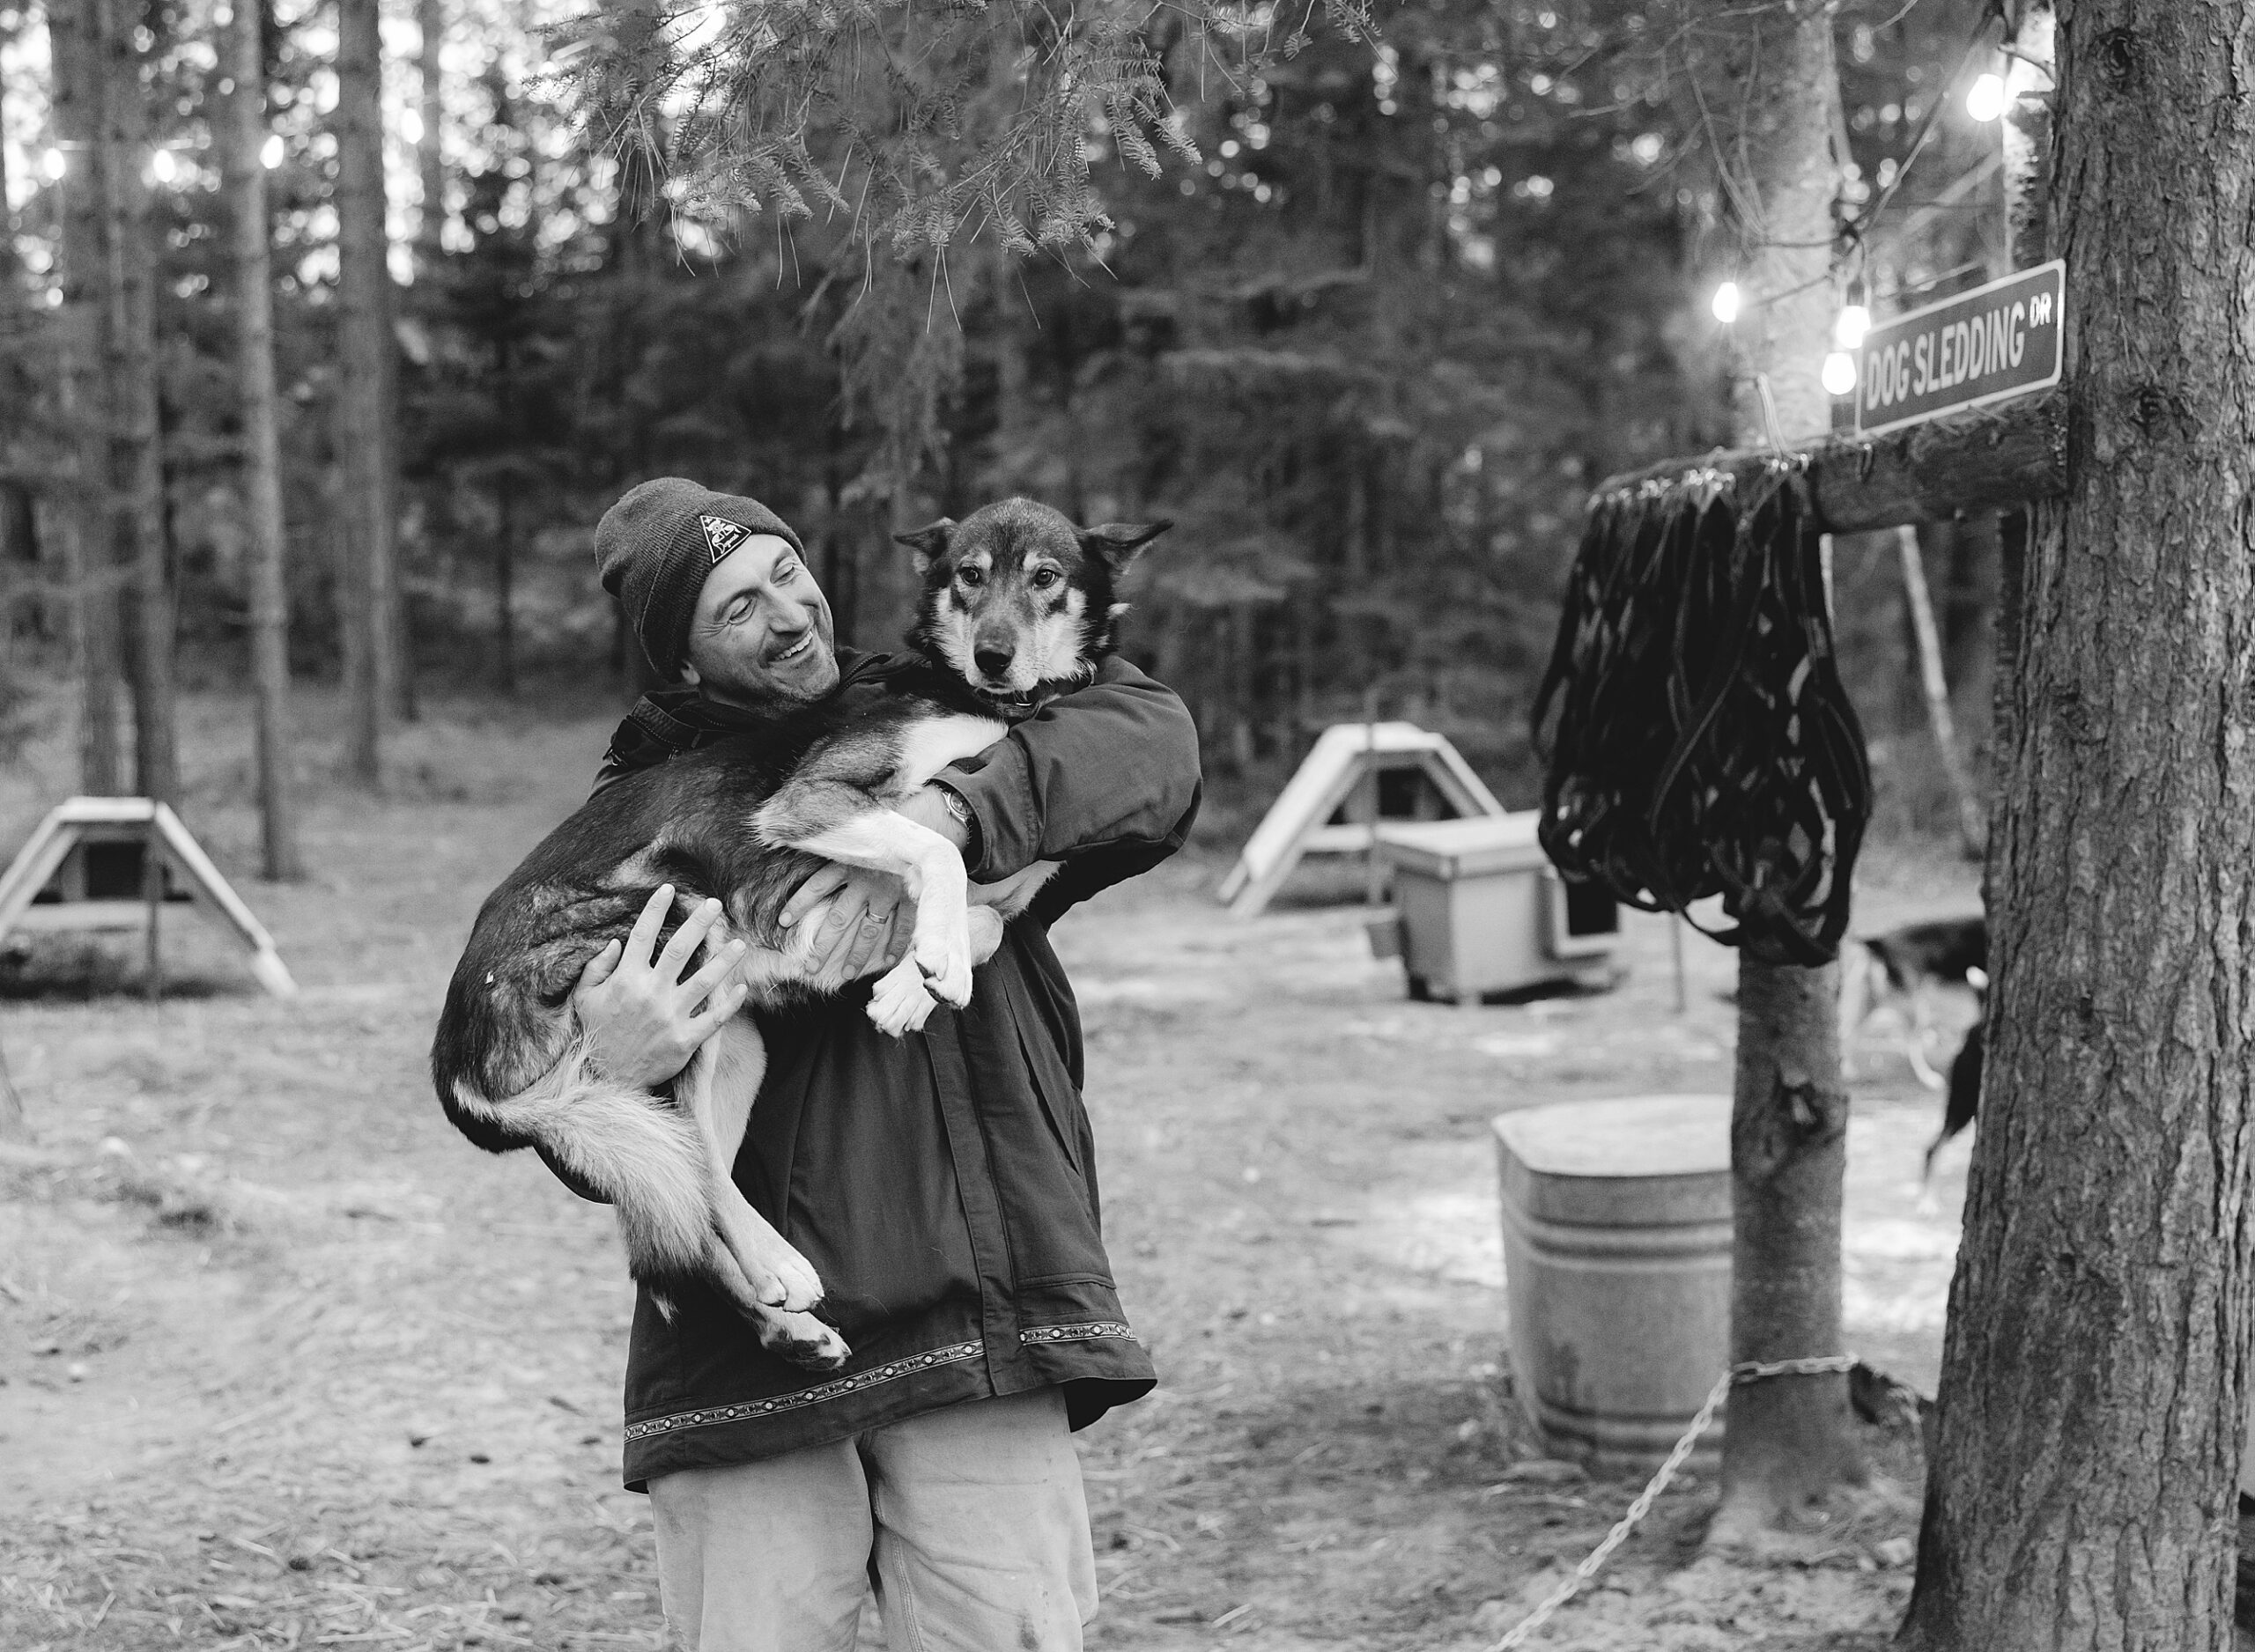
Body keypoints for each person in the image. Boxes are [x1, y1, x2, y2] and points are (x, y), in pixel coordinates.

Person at [558, 476, 1201, 1652]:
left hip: (976, 1293)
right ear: (681, 660)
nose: (789, 612)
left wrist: (946, 824)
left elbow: (1153, 746)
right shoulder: (630, 815)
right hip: (747, 1344)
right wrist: (611, 1062)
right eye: (734, 609)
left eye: (785, 574)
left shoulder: (926, 710)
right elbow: (566, 1087)